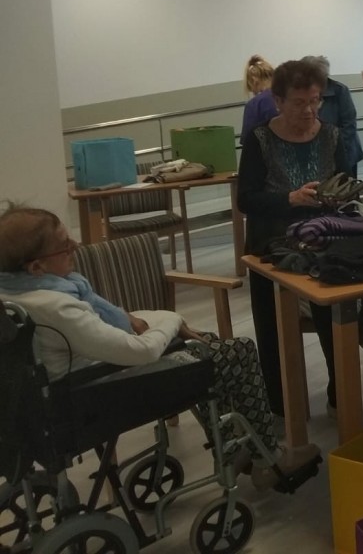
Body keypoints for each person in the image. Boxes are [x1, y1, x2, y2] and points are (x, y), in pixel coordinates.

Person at [0, 204, 320, 490]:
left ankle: (234, 449)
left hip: (73, 387)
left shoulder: (17, 295)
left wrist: (158, 323)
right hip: (104, 389)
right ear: (36, 267)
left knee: (211, 346)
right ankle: (268, 459)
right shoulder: (57, 307)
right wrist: (172, 318)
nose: (75, 246)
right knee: (239, 350)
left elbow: (107, 328)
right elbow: (140, 352)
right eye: (64, 245)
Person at [238, 59, 349, 417]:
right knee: (273, 326)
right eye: (299, 103)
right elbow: (246, 200)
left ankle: (341, 394)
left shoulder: (331, 136)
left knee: (335, 317)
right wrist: (289, 199)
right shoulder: (259, 140)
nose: (309, 110)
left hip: (325, 238)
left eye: (315, 101)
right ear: (278, 101)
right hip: (271, 246)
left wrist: (335, 198)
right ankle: (283, 405)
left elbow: (346, 184)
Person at [301, 55, 363, 176]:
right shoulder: (305, 92)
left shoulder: (340, 90)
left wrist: (332, 149)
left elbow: (349, 125)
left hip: (344, 153)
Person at [241, 54, 278, 139]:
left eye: (251, 88)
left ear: (254, 80)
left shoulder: (254, 105)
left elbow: (248, 141)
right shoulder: (289, 96)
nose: (253, 92)